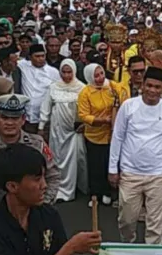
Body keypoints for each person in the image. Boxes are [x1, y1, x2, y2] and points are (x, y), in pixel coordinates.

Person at [109, 67, 162, 244]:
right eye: (149, 85)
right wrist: (112, 168)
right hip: (130, 172)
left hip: (158, 174)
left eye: (157, 87)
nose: (152, 91)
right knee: (127, 219)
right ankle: (128, 245)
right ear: (143, 85)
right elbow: (117, 137)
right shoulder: (129, 106)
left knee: (156, 222)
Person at [0, 94, 60, 211]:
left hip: (31, 211)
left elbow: (53, 176)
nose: (9, 123)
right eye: (4, 118)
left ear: (23, 119)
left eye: (15, 118)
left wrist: (44, 204)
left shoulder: (37, 143)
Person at [39, 59, 87, 202]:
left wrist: (85, 124)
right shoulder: (54, 87)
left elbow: (86, 108)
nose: (66, 75)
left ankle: (70, 190)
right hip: (57, 131)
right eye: (64, 72)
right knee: (57, 158)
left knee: (73, 159)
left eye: (69, 72)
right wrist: (41, 126)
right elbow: (46, 107)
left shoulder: (82, 88)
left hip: (73, 131)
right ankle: (57, 188)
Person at [78, 63, 118, 207]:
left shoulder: (112, 87)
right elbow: (83, 115)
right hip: (94, 134)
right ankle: (95, 193)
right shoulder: (85, 92)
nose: (100, 78)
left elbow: (123, 95)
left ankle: (108, 192)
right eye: (96, 75)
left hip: (111, 134)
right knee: (95, 165)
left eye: (101, 73)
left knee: (108, 163)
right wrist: (101, 120)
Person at [18, 44, 60, 133]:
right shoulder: (23, 66)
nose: (41, 59)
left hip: (45, 119)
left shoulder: (53, 72)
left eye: (43, 56)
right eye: (37, 56)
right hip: (26, 118)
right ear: (30, 57)